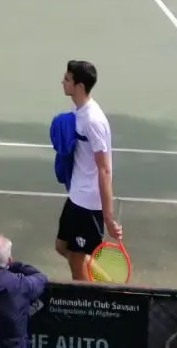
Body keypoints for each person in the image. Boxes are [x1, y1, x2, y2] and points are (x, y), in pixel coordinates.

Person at [55, 60, 120, 281]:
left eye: (67, 79)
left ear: (79, 86)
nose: (62, 82)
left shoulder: (93, 120)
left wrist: (109, 218)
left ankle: (86, 305)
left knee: (76, 261)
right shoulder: (79, 111)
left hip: (89, 203)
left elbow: (104, 170)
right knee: (62, 246)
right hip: (76, 194)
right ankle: (103, 280)